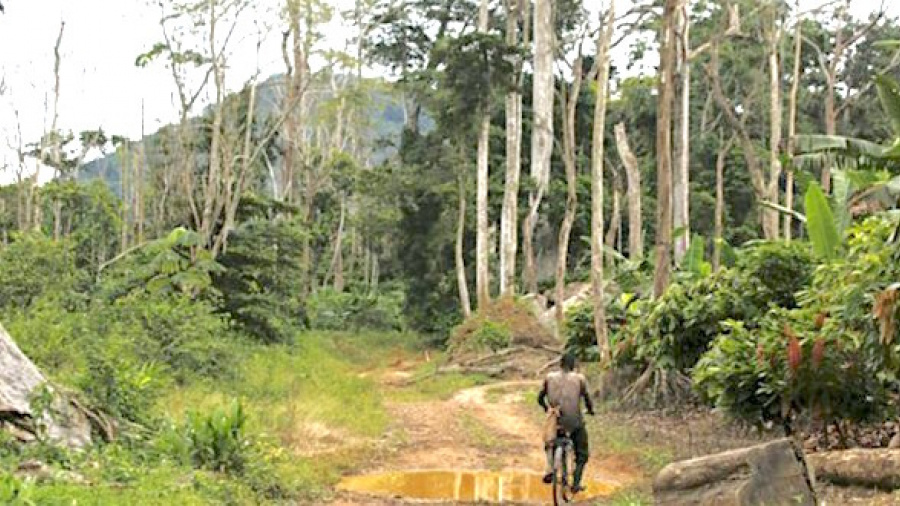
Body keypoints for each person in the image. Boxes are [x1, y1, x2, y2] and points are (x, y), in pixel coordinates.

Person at [537, 351, 594, 493]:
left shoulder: (549, 377)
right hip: (575, 421)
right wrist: (590, 410)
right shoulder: (579, 379)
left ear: (560, 364)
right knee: (582, 453)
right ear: (573, 365)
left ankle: (550, 467)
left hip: (556, 419)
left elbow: (539, 398)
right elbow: (587, 399)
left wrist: (547, 409)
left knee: (549, 442)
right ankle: (575, 483)